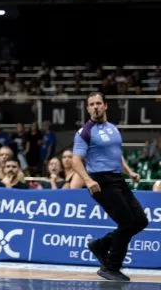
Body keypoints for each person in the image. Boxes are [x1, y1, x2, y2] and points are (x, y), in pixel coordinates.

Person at [71, 91, 148, 282]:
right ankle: (111, 267)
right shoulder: (84, 132)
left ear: (105, 105)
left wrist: (129, 172)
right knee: (127, 223)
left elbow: (116, 154)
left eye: (98, 103)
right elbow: (76, 161)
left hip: (118, 180)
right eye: (91, 104)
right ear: (88, 108)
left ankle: (100, 245)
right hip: (101, 182)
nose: (95, 107)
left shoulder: (113, 128)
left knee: (140, 221)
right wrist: (88, 181)